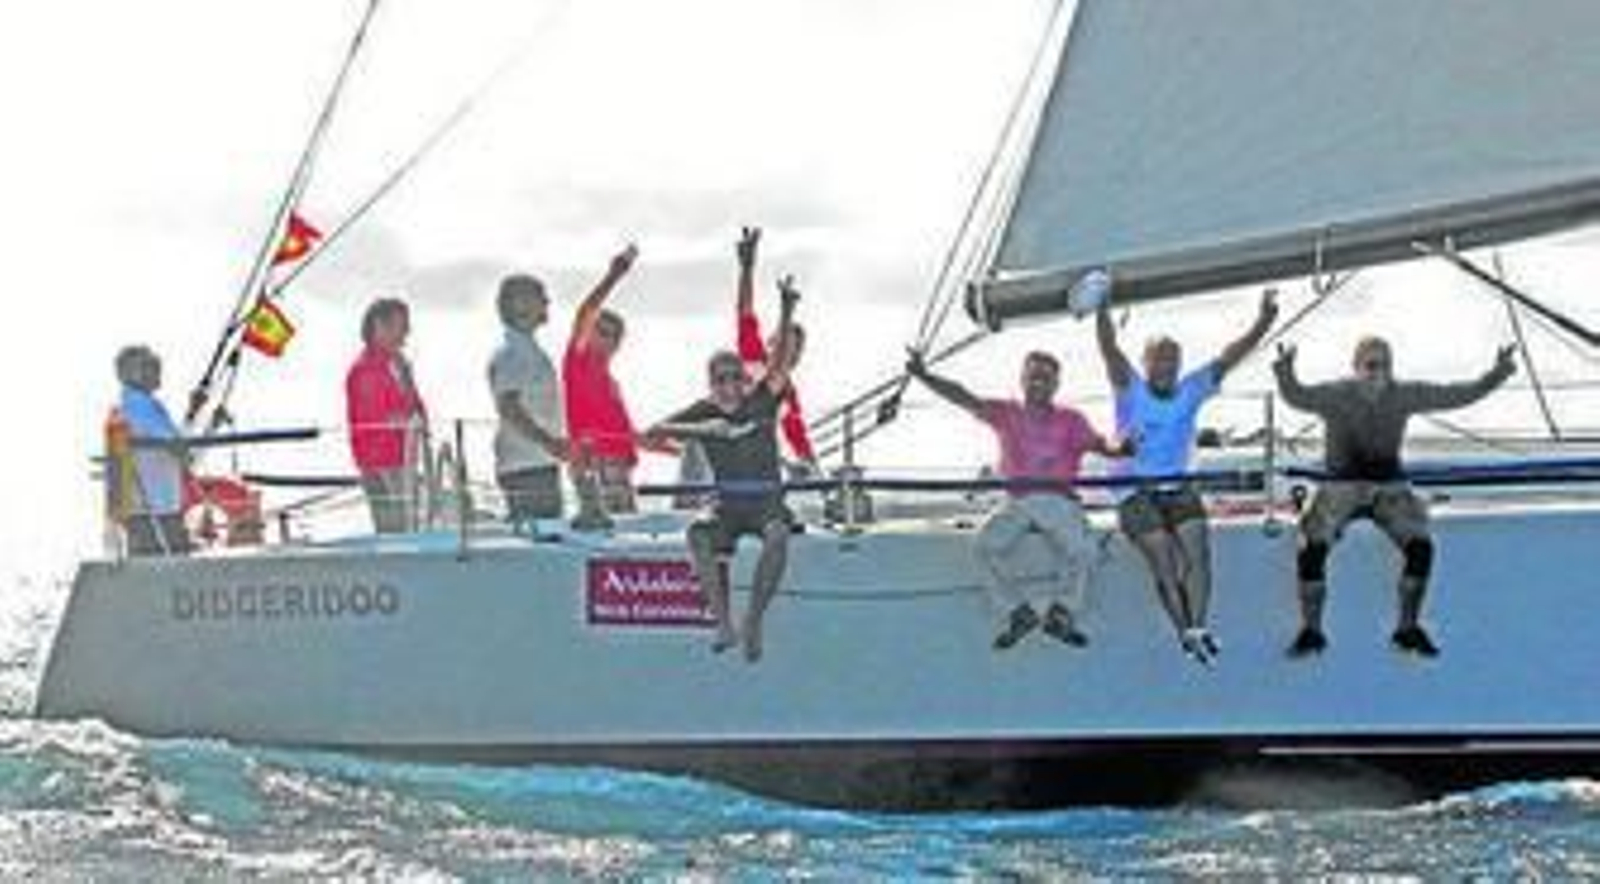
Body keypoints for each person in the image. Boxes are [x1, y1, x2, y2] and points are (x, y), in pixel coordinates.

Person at [1273, 336, 1518, 658]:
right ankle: (1312, 631)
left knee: (1421, 547)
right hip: (1341, 486)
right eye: (1371, 365)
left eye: (1385, 365)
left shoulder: (1404, 394)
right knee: (1311, 549)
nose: (1378, 372)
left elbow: (1457, 395)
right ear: (1356, 367)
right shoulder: (1336, 394)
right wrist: (1286, 371)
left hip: (1390, 487)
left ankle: (1407, 629)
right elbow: (1297, 397)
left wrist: (1497, 373)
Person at [1095, 288, 1279, 662]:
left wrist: (1264, 320)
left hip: (1178, 487)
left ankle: (1198, 626)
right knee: (1163, 557)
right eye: (1158, 359)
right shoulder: (1130, 389)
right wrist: (1102, 307)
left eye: (1172, 360)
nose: (1166, 366)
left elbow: (1231, 356)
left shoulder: (1190, 389)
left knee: (1199, 554)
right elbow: (1108, 348)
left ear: (1179, 365)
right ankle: (1185, 633)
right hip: (1134, 492)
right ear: (1145, 363)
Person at [906, 348, 1127, 650]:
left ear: (1056, 384)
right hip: (1018, 502)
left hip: (1058, 499)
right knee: (983, 547)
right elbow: (963, 397)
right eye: (1033, 376)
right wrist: (924, 375)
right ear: (1022, 379)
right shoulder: (1006, 413)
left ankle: (1061, 612)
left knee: (1084, 551)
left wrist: (1123, 448)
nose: (1039, 382)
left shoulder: (1071, 419)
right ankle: (1018, 612)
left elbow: (1104, 445)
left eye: (1046, 378)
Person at [650, 277, 802, 663]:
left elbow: (780, 361)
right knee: (697, 535)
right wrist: (705, 430)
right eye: (721, 379)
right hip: (728, 503)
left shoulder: (762, 401)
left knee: (778, 535)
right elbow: (651, 434)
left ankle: (753, 621)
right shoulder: (706, 410)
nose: (731, 386)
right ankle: (723, 623)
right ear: (711, 384)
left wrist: (786, 310)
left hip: (766, 499)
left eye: (737, 377)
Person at [677, 227, 817, 507]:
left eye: (796, 347)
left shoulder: (788, 393)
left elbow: (797, 435)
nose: (790, 351)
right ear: (770, 343)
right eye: (784, 343)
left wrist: (811, 466)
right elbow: (745, 311)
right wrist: (747, 266)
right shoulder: (752, 358)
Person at [563, 244, 642, 514]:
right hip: (594, 466)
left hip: (620, 470)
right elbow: (585, 312)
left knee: (626, 542)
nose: (609, 339)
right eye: (602, 331)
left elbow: (625, 434)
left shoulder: (610, 381)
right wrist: (614, 275)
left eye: (615, 335)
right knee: (605, 535)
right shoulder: (577, 364)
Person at [488, 273, 569, 530]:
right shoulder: (511, 353)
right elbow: (509, 407)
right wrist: (549, 442)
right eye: (540, 297)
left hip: (539, 463)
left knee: (550, 532)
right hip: (526, 467)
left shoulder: (527, 350)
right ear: (519, 303)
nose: (547, 302)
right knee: (542, 537)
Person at [346, 297, 428, 534]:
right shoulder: (365, 369)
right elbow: (378, 417)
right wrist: (409, 422)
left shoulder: (397, 366)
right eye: (401, 326)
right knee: (395, 531)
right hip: (382, 463)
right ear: (379, 326)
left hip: (403, 460)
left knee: (411, 525)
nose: (406, 334)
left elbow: (416, 410)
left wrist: (407, 378)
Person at [108, 345, 192, 556]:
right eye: (150, 365)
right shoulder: (140, 406)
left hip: (146, 511)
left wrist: (193, 412)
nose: (157, 368)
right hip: (157, 511)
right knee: (174, 569)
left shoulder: (129, 407)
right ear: (130, 373)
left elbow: (175, 447)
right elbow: (178, 448)